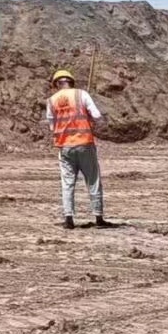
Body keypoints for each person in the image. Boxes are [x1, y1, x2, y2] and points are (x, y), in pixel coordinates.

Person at [43, 70, 112, 228]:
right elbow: (96, 115)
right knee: (93, 180)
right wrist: (95, 121)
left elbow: (52, 125)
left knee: (67, 183)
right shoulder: (81, 94)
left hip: (65, 146)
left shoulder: (51, 100)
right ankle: (99, 218)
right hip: (85, 143)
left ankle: (68, 219)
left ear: (57, 84)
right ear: (71, 82)